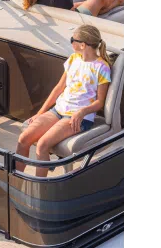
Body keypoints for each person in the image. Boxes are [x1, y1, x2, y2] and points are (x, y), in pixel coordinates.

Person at [15, 24, 112, 177]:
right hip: (58, 110)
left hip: (79, 117)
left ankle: (40, 190)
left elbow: (100, 102)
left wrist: (82, 112)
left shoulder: (102, 68)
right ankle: (15, 181)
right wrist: (40, 113)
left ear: (82, 44)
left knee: (42, 145)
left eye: (72, 39)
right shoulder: (73, 59)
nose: (71, 42)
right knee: (23, 139)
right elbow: (59, 88)